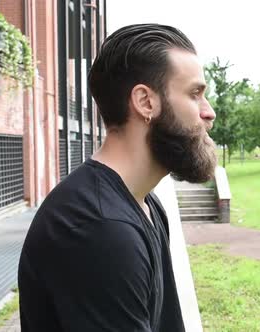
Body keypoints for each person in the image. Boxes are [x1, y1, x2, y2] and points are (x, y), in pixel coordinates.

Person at [18, 24, 216, 331]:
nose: (209, 112)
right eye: (195, 94)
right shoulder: (100, 228)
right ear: (145, 102)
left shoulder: (145, 203)